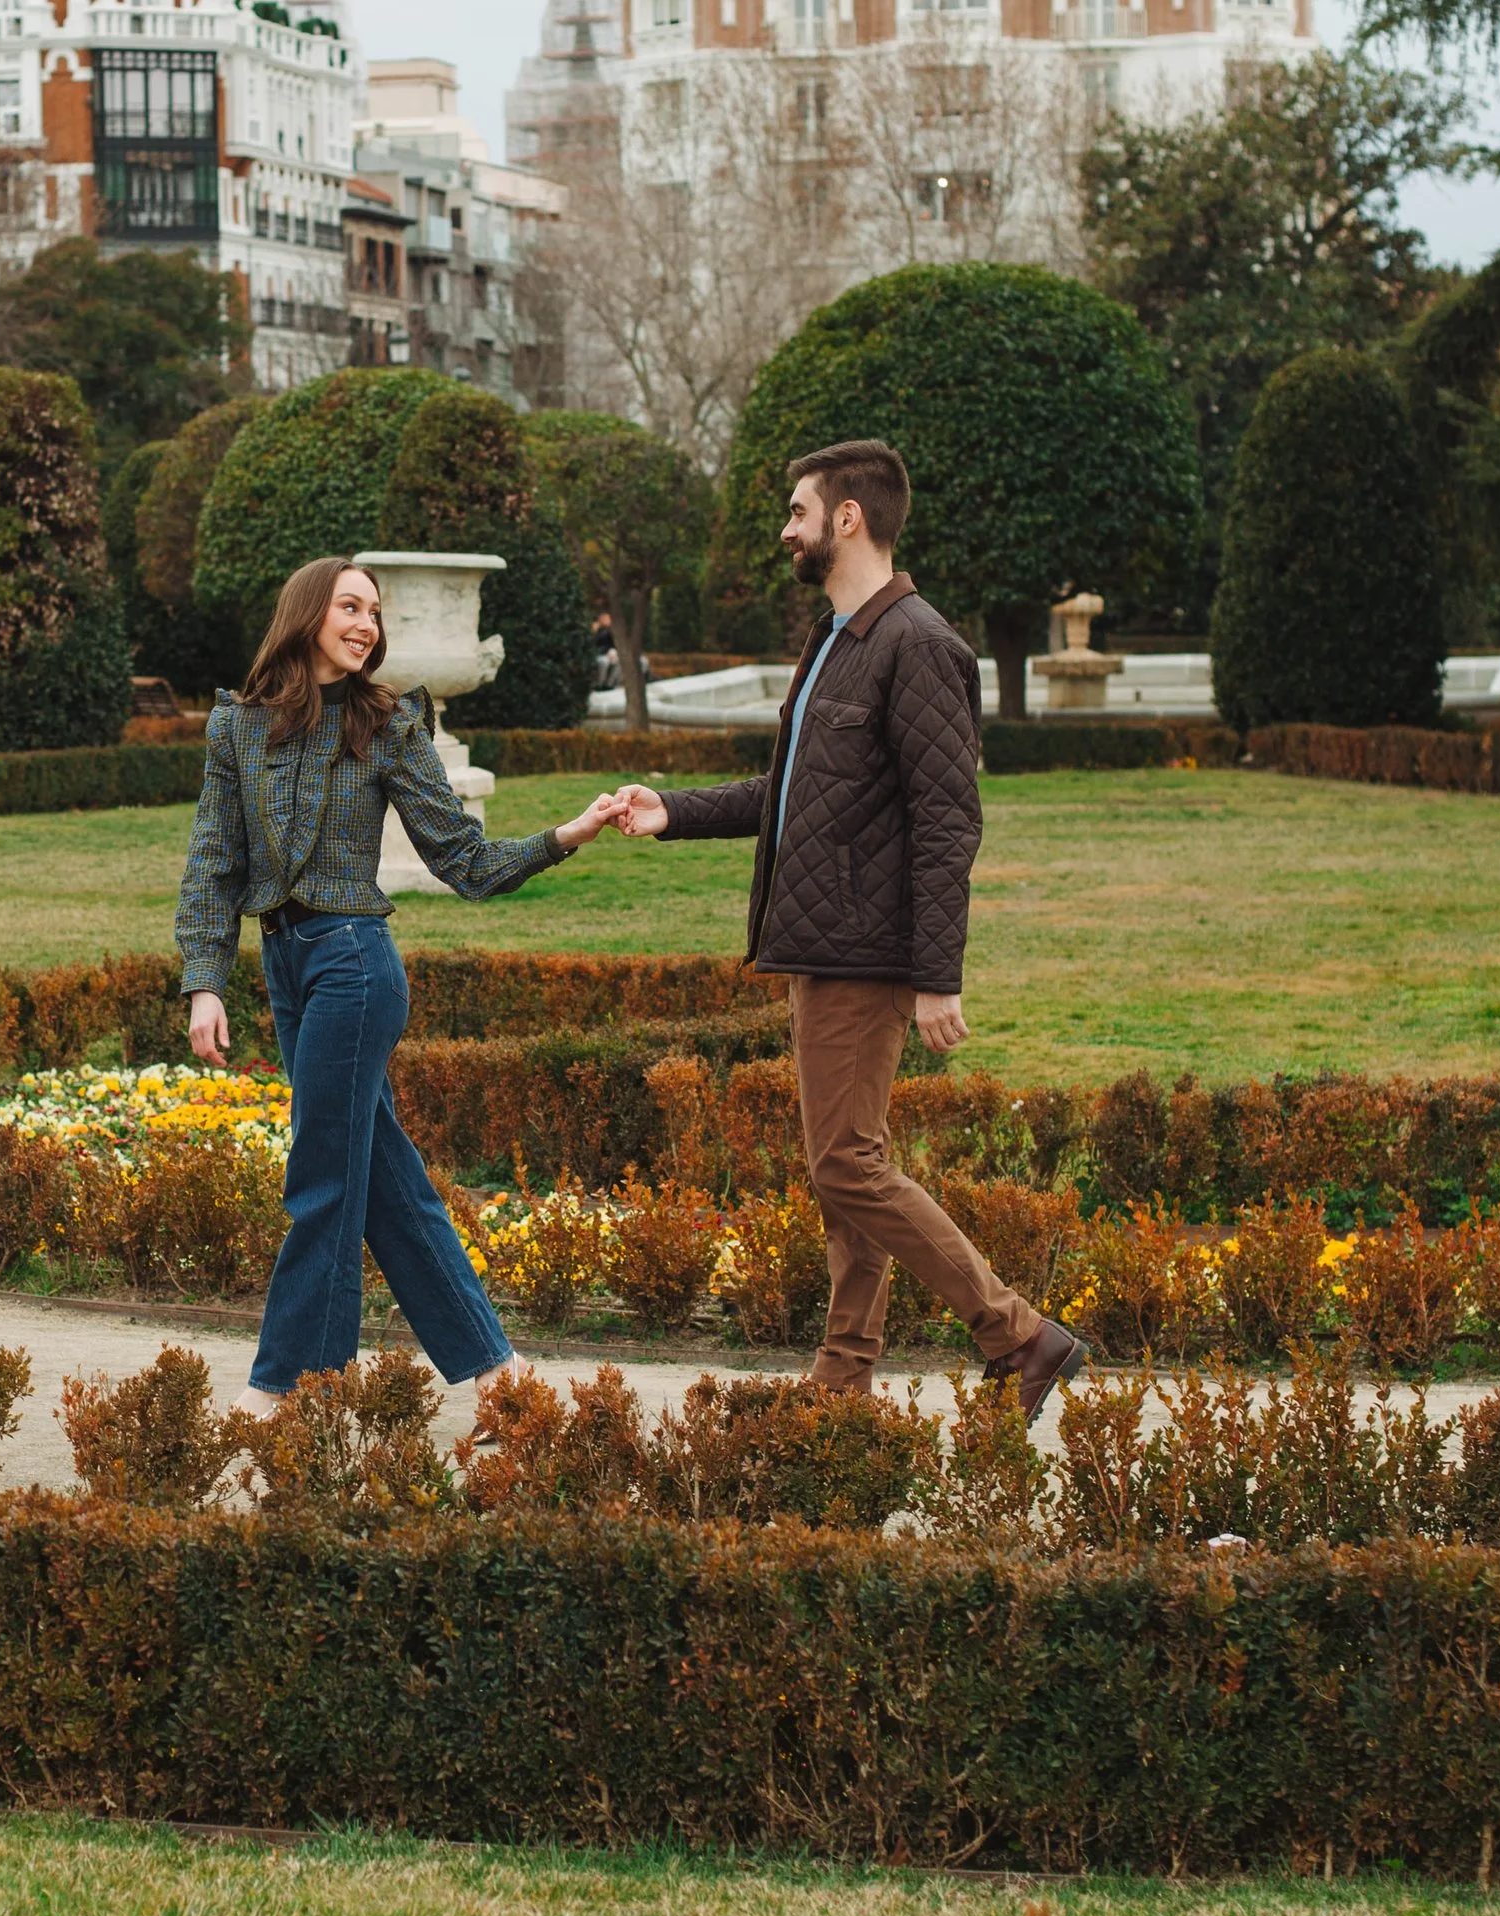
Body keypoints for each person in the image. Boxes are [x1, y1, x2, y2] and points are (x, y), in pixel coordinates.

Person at [611, 437, 1085, 1419]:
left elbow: (949, 818)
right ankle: (843, 1374)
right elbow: (791, 794)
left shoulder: (919, 645)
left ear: (848, 518)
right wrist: (674, 812)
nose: (785, 528)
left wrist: (935, 974)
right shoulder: (837, 640)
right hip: (821, 947)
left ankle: (1017, 1335)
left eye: (796, 510)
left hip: (864, 953)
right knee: (848, 1163)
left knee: (845, 1165)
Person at [178, 554, 627, 1417]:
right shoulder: (236, 727)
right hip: (285, 968)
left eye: (374, 613)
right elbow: (212, 862)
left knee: (321, 1180)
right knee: (386, 1185)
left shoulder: (389, 724)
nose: (366, 625)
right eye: (350, 606)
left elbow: (463, 860)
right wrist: (206, 980)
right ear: (306, 612)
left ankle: (290, 1387)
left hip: (354, 964)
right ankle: (504, 1381)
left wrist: (565, 836)